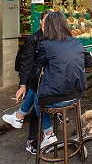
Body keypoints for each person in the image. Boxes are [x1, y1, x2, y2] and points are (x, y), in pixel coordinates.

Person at [3, 12, 92, 149]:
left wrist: (24, 85)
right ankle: (19, 117)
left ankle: (46, 132)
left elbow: (36, 71)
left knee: (36, 93)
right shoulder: (77, 42)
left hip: (55, 98)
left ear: (49, 26)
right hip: (76, 96)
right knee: (38, 90)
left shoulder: (45, 45)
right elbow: (90, 62)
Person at [2, 10, 51, 155]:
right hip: (33, 80)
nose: (49, 23)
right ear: (41, 21)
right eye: (46, 20)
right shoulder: (33, 39)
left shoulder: (54, 37)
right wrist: (22, 85)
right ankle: (32, 140)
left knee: (41, 108)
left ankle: (20, 117)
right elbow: (26, 64)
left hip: (47, 81)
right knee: (37, 111)